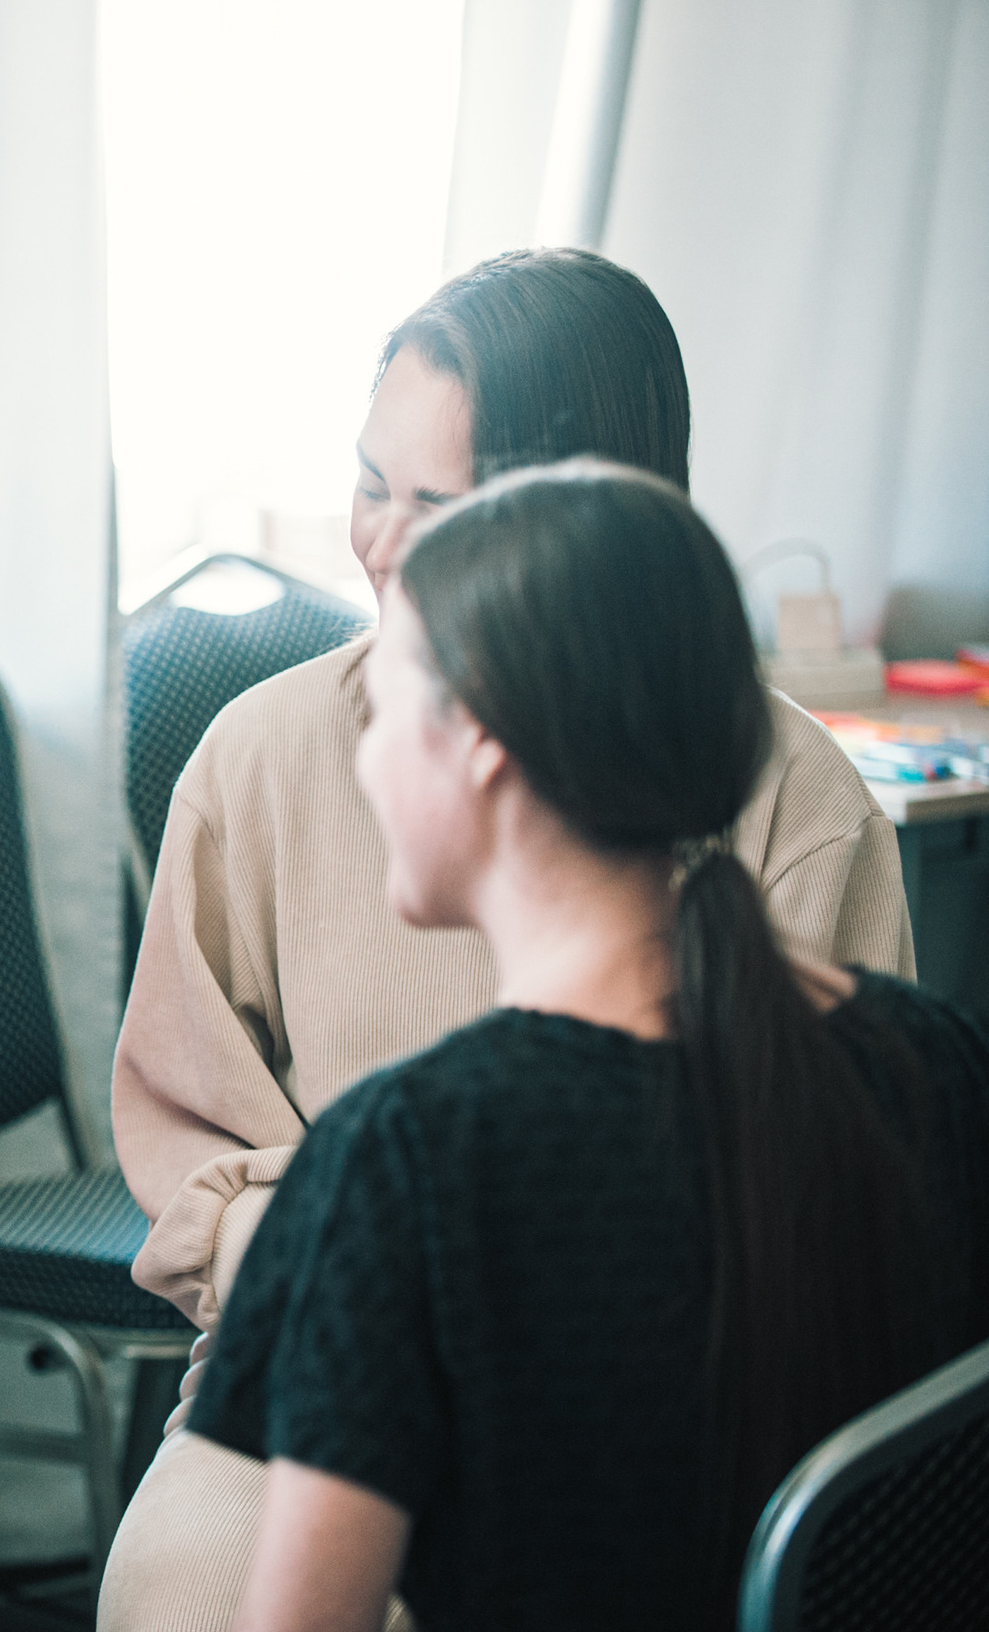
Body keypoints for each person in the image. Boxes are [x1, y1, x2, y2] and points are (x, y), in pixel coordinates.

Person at [99, 249, 916, 1632]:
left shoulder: (805, 806)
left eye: (440, 507)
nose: (381, 545)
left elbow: (816, 1232)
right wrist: (329, 1276)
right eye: (370, 484)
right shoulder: (264, 754)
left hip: (690, 1390)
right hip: (325, 1329)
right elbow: (186, 1125)